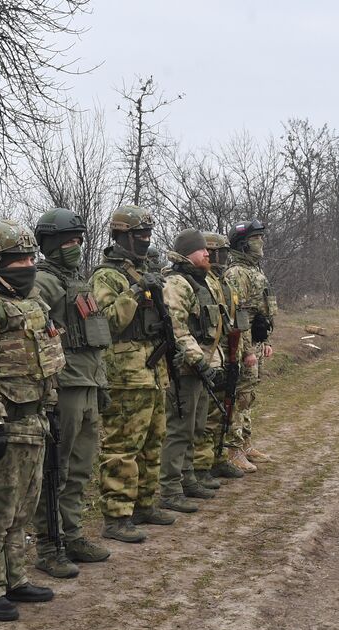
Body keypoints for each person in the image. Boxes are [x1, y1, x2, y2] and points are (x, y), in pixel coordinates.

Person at [0, 222, 65, 620]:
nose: (28, 265)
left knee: (23, 509)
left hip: (34, 417)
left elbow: (47, 359)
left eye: (31, 258)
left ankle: (14, 578)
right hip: (4, 420)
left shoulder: (33, 301)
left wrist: (50, 408)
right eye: (18, 259)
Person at [30, 209, 113, 577]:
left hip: (88, 384)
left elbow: (95, 339)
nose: (75, 247)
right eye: (68, 241)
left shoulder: (79, 281)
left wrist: (103, 383)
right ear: (50, 244)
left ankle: (73, 534)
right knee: (55, 469)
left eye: (79, 240)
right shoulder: (43, 283)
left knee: (80, 468)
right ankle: (49, 545)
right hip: (64, 386)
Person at [90, 205, 175, 543]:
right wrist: (138, 292)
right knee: (123, 445)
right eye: (138, 235)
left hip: (153, 369)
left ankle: (143, 504)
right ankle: (116, 516)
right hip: (125, 371)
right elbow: (108, 321)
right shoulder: (107, 276)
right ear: (121, 236)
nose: (145, 240)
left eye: (148, 235)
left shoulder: (144, 271)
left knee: (153, 440)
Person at [158, 229, 224, 514]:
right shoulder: (177, 283)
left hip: (198, 367)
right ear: (187, 254)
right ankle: (171, 489)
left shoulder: (200, 281)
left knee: (194, 427)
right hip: (183, 368)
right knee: (178, 429)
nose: (207, 253)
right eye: (201, 250)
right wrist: (198, 360)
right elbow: (177, 327)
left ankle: (187, 479)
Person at [222, 219, 275, 473]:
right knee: (239, 397)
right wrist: (247, 351)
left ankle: (245, 443)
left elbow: (261, 313)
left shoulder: (255, 270)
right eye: (257, 238)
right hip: (243, 346)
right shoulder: (236, 273)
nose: (261, 242)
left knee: (249, 397)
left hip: (255, 341)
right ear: (243, 244)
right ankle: (233, 450)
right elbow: (237, 317)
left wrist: (265, 342)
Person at [201, 231, 239, 484]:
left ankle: (217, 458)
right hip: (211, 352)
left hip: (226, 351)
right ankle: (203, 464)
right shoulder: (203, 282)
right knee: (208, 413)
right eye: (218, 252)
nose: (222, 257)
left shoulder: (222, 281)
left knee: (224, 409)